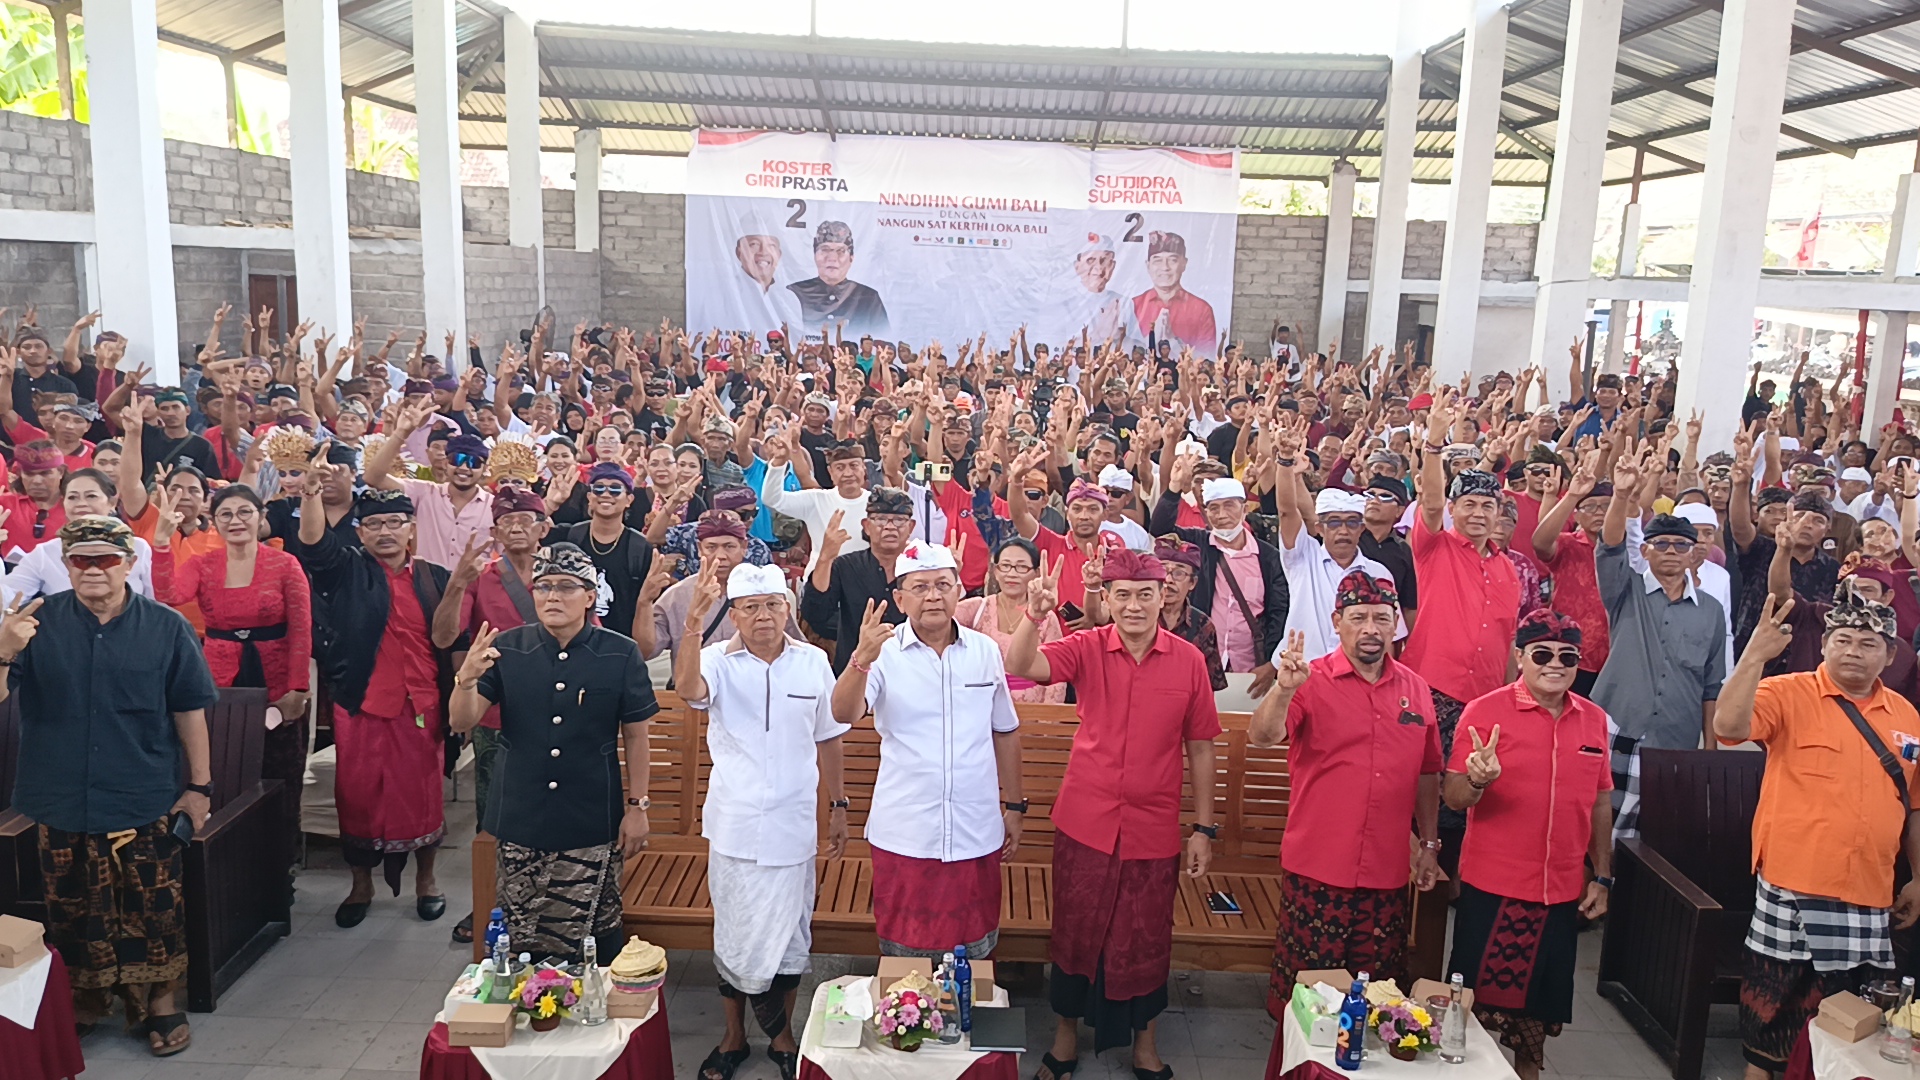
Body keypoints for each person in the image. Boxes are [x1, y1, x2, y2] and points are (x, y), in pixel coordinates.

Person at [0, 516, 217, 1056]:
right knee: (71, 904)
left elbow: (189, 711)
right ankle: (84, 999)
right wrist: (3, 649)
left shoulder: (167, 627)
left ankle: (162, 1002)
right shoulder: (31, 623)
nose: (94, 569)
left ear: (129, 563)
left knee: (154, 904)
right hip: (60, 792)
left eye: (106, 559)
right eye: (81, 559)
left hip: (141, 792)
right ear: (65, 566)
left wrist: (200, 788)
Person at [1006, 547, 1219, 1080]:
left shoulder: (1188, 660)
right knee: (1075, 931)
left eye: (1145, 595)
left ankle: (1145, 1043)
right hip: (1086, 820)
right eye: (1121, 595)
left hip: (1152, 827)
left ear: (1161, 595)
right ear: (1108, 598)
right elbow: (1021, 665)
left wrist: (1204, 827)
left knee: (1146, 935)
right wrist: (1036, 614)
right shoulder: (1086, 648)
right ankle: (1064, 1039)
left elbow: (1200, 747)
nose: (1133, 606)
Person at [1713, 591, 1920, 1080]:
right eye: (1842, 639)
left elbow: (1914, 807)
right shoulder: (1786, 691)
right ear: (1825, 645)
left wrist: (1918, 880)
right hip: (1793, 887)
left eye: (1868, 643)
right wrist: (1753, 657)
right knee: (1770, 1034)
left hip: (1870, 893)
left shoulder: (1908, 718)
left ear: (1890, 655)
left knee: (1851, 1030)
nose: (1853, 651)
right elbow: (1727, 726)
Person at [677, 562, 848, 1080]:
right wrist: (691, 624)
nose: (763, 616)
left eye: (773, 604)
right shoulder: (714, 660)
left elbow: (829, 736)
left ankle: (781, 1035)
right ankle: (733, 1037)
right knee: (734, 934)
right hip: (735, 825)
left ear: (788, 609)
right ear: (734, 615)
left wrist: (838, 807)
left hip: (795, 826)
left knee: (791, 937)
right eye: (750, 607)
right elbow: (687, 688)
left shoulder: (813, 662)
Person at [450, 543, 657, 963]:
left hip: (590, 814)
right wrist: (465, 681)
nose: (553, 596)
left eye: (566, 587)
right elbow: (461, 721)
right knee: (522, 929)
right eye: (543, 587)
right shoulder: (507, 647)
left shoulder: (619, 652)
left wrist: (637, 807)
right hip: (521, 811)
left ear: (590, 596)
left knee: (595, 932)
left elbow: (636, 736)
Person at [1251, 571, 1442, 1023]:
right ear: (1337, 621)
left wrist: (1429, 844)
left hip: (1387, 871)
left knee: (1376, 1000)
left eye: (1381, 618)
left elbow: (1428, 772)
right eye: (1359, 618)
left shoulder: (1416, 689)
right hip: (1318, 868)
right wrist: (1283, 689)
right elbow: (1263, 735)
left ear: (1396, 623)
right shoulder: (1308, 679)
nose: (1371, 629)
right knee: (1305, 1003)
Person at [829, 541, 1024, 958]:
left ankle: (966, 1019)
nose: (933, 596)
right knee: (908, 954)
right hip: (907, 833)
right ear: (899, 598)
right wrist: (860, 660)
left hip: (975, 827)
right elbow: (844, 714)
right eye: (919, 587)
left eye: (942, 585)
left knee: (972, 953)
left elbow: (1004, 730)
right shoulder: (881, 653)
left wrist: (1015, 806)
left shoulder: (985, 650)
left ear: (959, 591)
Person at [1444, 609, 1613, 1080]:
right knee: (1468, 1017)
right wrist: (1478, 780)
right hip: (1492, 891)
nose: (1554, 664)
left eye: (1567, 656)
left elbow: (1600, 804)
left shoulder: (1595, 720)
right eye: (1542, 653)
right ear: (1521, 657)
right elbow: (1454, 797)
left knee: (1535, 1030)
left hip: (1559, 893)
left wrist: (1602, 875)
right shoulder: (1484, 713)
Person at [295, 481, 457, 927]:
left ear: (411, 528)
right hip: (360, 702)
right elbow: (313, 544)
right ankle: (360, 884)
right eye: (373, 523)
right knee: (357, 795)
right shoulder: (345, 569)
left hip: (421, 703)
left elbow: (448, 639)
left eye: (394, 522)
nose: (384, 531)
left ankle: (427, 880)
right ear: (359, 532)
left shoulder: (434, 577)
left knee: (423, 796)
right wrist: (312, 497)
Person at [1403, 389, 1521, 870]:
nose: (1477, 513)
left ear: (1499, 514)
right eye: (1468, 503)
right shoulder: (1435, 547)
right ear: (1454, 509)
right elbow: (1429, 501)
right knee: (1422, 787)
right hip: (1433, 689)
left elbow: (1510, 640)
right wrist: (1434, 445)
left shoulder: (1510, 570)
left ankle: (1455, 878)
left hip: (1487, 697)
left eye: (1486, 506)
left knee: (1471, 786)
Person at [433, 486, 551, 944]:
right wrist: (457, 582)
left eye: (527, 518)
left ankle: (550, 898)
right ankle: (492, 901)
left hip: (555, 709)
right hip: (494, 711)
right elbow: (444, 638)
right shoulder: (480, 577)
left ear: (544, 528)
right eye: (507, 519)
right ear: (495, 529)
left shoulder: (563, 572)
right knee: (493, 815)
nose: (517, 525)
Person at [1591, 459, 1728, 840]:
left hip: (1675, 739)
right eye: (1661, 544)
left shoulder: (1712, 612)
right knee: (1595, 829)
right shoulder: (1625, 590)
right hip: (1619, 728)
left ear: (1693, 553)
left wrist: (1709, 751)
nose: (1671, 550)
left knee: (1654, 840)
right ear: (1647, 551)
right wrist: (1621, 495)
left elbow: (1711, 686)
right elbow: (1611, 546)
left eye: (1681, 545)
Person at [1148, 468, 1287, 694]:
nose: (1221, 514)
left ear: (1244, 508)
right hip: (1200, 661)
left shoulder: (1268, 557)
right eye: (1213, 507)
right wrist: (1174, 487)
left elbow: (1278, 611)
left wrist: (1271, 663)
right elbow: (1160, 529)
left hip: (1250, 668)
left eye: (1229, 505)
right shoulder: (1198, 543)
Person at [1273, 435, 1400, 660]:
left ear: (1361, 529)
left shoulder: (1378, 573)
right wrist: (1284, 460)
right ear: (1319, 528)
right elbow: (1287, 511)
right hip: (1303, 674)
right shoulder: (1303, 558)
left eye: (1351, 522)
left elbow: (1388, 636)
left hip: (1359, 678)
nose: (1343, 530)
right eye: (1334, 522)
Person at [367, 403, 495, 567]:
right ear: (446, 462)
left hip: (474, 590)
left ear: (484, 469)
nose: (464, 468)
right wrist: (401, 433)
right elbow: (373, 477)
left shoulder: (494, 506)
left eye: (474, 462)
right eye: (456, 459)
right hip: (426, 587)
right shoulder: (424, 492)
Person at [803, 488, 917, 672]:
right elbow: (816, 614)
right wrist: (825, 558)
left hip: (910, 669)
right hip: (855, 669)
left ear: (911, 527)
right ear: (866, 526)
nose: (889, 526)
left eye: (899, 520)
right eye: (880, 519)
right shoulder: (846, 566)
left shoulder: (921, 569)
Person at [2, 468, 156, 603]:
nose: (81, 503)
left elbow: (154, 603)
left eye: (91, 496)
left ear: (112, 502)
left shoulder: (138, 548)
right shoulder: (45, 553)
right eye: (72, 497)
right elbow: (9, 596)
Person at [954, 537, 1069, 704]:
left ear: (1036, 573)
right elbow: (936, 622)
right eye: (1005, 566)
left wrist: (1047, 724)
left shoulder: (1047, 617)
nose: (1012, 573)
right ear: (995, 570)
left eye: (1021, 567)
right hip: (981, 706)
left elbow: (1056, 675)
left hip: (1032, 713)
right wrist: (951, 575)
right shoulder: (976, 609)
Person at [558, 462, 655, 639]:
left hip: (621, 643)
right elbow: (532, 533)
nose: (606, 494)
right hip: (573, 640)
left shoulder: (640, 548)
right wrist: (551, 503)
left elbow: (646, 605)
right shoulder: (571, 536)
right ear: (589, 497)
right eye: (599, 488)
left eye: (616, 489)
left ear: (629, 500)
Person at [762, 434, 870, 575]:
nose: (848, 473)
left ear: (864, 468)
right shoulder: (816, 500)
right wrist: (779, 463)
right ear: (830, 472)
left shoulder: (877, 503)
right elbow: (772, 499)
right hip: (820, 581)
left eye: (854, 466)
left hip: (862, 580)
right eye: (840, 467)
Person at [788, 220, 890, 340]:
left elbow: (884, 342)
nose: (832, 258)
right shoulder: (794, 293)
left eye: (840, 251)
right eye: (825, 249)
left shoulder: (868, 297)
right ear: (814, 255)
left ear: (851, 258)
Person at [1152, 536, 1229, 690]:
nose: (1168, 580)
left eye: (1179, 573)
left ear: (1192, 583)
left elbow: (1209, 686)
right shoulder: (1139, 618)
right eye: (1163, 570)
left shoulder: (1203, 625)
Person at [1130, 231, 1216, 354]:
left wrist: (1174, 341)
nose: (1165, 268)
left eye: (1173, 260)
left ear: (1184, 264)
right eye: (1157, 260)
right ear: (1148, 266)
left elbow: (1207, 357)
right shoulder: (1133, 306)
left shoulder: (1201, 309)